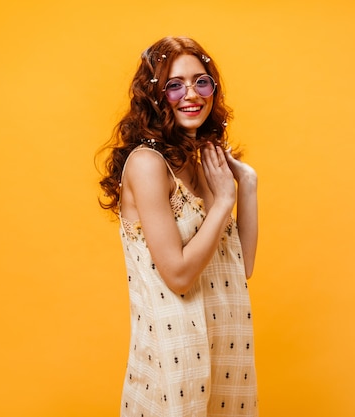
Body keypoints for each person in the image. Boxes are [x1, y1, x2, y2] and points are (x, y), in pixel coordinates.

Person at [98, 36, 259, 416]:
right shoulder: (147, 164)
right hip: (172, 365)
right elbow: (179, 275)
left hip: (224, 358)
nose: (192, 94)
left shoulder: (206, 161)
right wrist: (223, 201)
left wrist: (247, 185)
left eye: (201, 81)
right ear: (152, 95)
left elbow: (240, 267)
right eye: (174, 84)